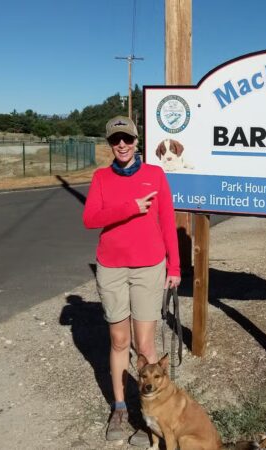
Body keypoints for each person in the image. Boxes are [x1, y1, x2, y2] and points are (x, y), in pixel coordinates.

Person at [82, 115, 181, 442]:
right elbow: (90, 218)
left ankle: (150, 414)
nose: (121, 145)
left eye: (127, 138)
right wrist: (130, 207)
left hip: (149, 267)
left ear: (137, 141)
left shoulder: (155, 174)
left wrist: (175, 267)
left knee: (145, 344)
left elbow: (167, 220)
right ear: (109, 144)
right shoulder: (100, 178)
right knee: (119, 342)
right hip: (111, 268)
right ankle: (121, 408)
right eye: (115, 140)